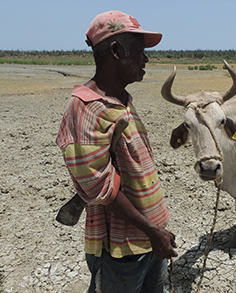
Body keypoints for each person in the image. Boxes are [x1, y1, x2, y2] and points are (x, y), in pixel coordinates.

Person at [56, 10, 178, 293]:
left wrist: (156, 230)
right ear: (115, 50)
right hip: (120, 250)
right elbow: (101, 188)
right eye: (139, 50)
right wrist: (152, 231)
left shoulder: (120, 100)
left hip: (150, 238)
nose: (145, 59)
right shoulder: (85, 109)